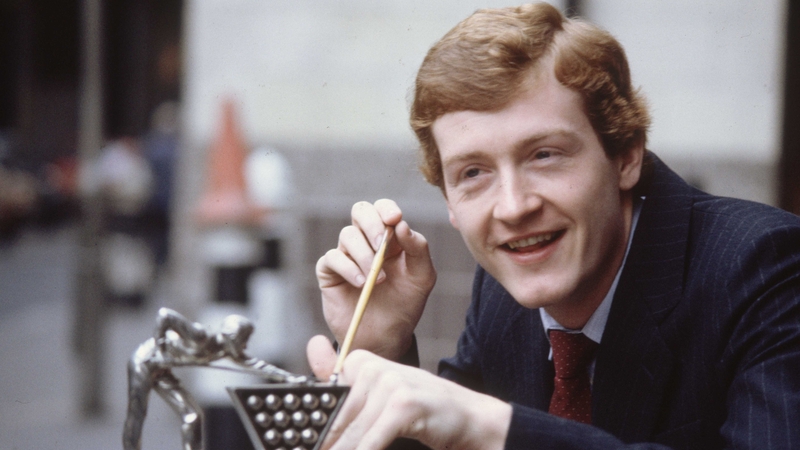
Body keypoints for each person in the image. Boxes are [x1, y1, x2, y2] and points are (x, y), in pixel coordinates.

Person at [307, 3, 800, 450]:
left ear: (626, 155)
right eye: (473, 173)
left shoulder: (765, 265)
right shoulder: (505, 288)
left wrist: (488, 426)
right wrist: (380, 349)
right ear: (448, 202)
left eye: (544, 155)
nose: (513, 208)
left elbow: (475, 426)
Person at [123, 308, 308, 450]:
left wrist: (292, 378)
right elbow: (165, 316)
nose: (245, 345)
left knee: (193, 417)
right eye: (244, 340)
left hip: (163, 369)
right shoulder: (200, 336)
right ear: (232, 337)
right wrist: (160, 348)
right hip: (145, 360)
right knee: (137, 412)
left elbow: (259, 367)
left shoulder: (226, 351)